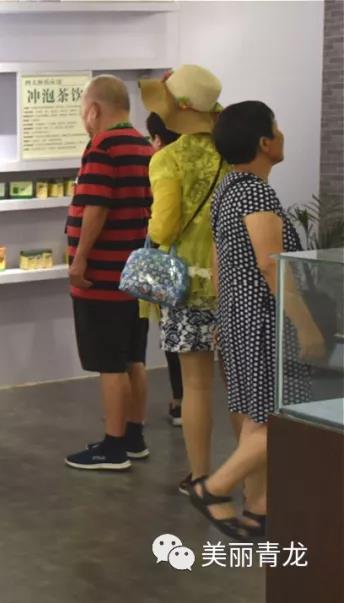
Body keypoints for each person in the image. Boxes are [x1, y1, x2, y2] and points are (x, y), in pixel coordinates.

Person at [191, 101, 322, 540]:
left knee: (258, 417)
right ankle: (213, 488)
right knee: (283, 420)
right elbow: (271, 265)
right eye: (276, 129)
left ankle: (258, 509)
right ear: (265, 143)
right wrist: (305, 325)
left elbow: (220, 262)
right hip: (266, 320)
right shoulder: (257, 193)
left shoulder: (228, 190)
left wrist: (225, 315)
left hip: (240, 318)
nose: (282, 135)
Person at [140, 65, 229, 495]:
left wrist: (153, 225)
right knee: (240, 385)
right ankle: (249, 475)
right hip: (234, 281)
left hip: (188, 286)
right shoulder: (233, 153)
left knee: (195, 387)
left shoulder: (168, 159)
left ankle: (201, 476)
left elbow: (163, 227)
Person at [63, 75, 153, 472]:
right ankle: (134, 437)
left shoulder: (102, 147)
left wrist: (79, 259)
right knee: (134, 359)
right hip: (135, 275)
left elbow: (95, 207)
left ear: (94, 110)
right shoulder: (143, 145)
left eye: (84, 111)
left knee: (110, 365)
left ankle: (113, 448)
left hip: (103, 277)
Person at [145, 112, 184, 428]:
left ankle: (180, 400)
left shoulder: (164, 162)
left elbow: (163, 227)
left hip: (172, 262)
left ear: (158, 139)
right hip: (207, 265)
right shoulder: (209, 159)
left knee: (173, 334)